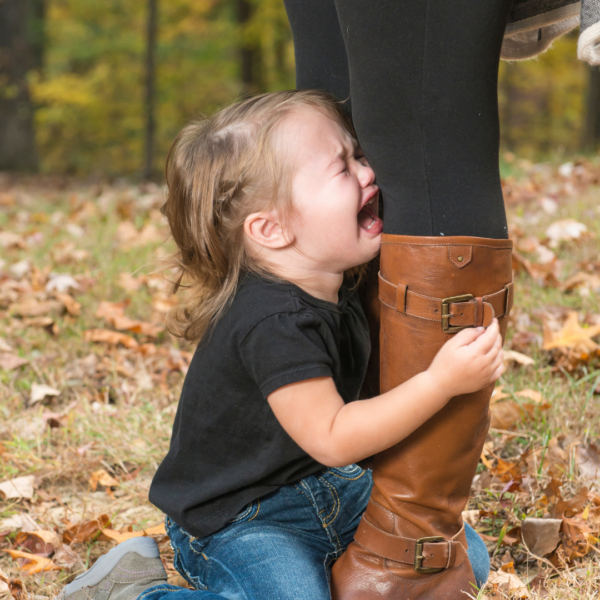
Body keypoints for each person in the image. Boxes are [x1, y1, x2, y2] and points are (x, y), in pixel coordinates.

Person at [60, 90, 505, 600]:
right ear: (271, 230)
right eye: (342, 169)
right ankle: (131, 594)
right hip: (238, 518)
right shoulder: (271, 323)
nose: (368, 173)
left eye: (358, 155)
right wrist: (440, 382)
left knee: (461, 558)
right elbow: (335, 436)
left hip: (330, 489)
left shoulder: (337, 281)